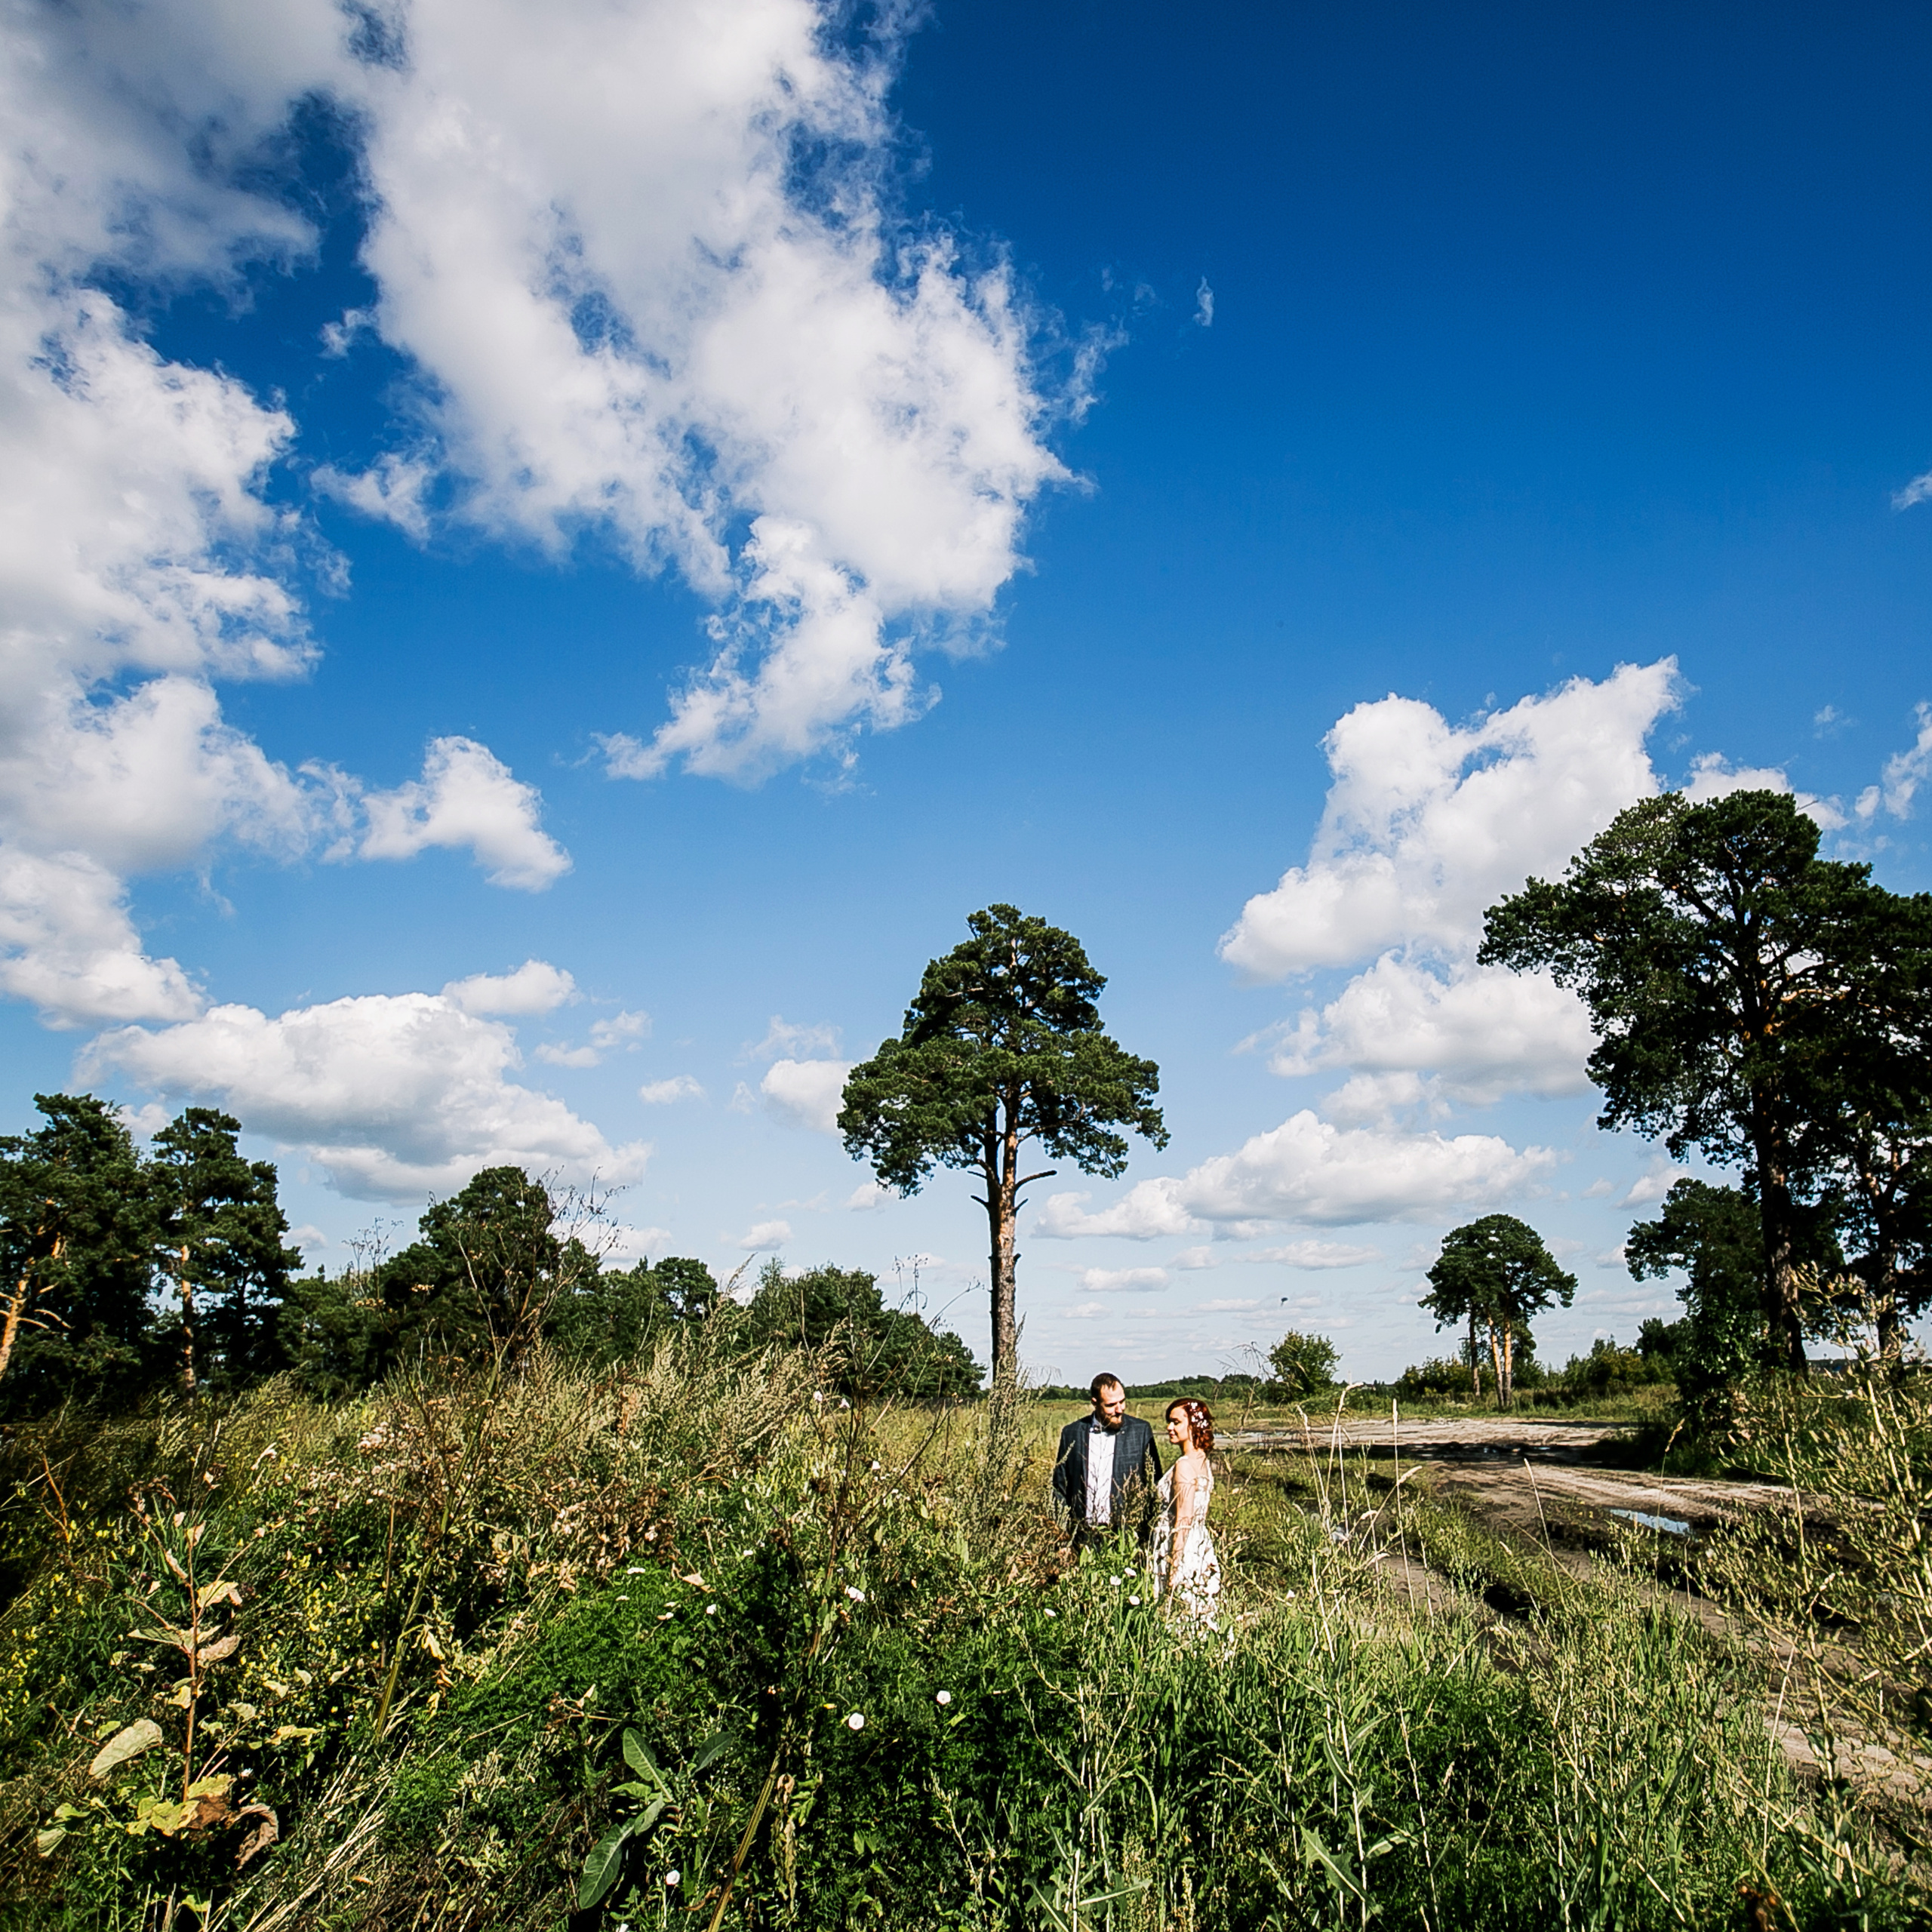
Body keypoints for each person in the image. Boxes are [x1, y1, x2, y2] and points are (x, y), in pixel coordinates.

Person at [1051, 1374, 1163, 1549]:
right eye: (1111, 1405)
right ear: (1095, 1403)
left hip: (1127, 1538)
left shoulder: (1141, 1431)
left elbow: (1154, 1484)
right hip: (1082, 1537)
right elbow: (1060, 1488)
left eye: (1122, 1402)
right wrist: (1063, 1534)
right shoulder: (1071, 1433)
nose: (1119, 1409)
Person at [1153, 1398, 1222, 1620]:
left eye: (1176, 1422)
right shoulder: (1202, 1461)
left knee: (1177, 1612)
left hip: (1180, 1545)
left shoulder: (1184, 1465)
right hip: (1200, 1544)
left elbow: (1183, 1520)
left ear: (1193, 1425)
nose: (1169, 1427)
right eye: (1169, 1422)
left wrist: (1174, 1568)